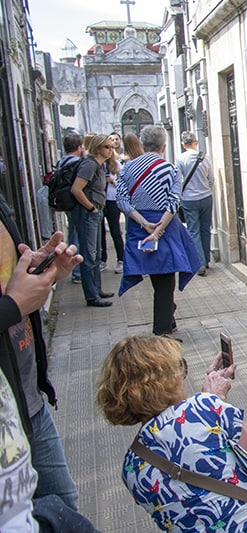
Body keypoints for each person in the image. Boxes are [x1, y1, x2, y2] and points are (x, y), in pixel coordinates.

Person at [96, 335, 247, 532]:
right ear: (167, 378)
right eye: (179, 367)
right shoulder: (204, 408)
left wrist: (210, 402)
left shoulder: (130, 467)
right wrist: (218, 402)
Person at [0, 194, 83, 513]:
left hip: (27, 396)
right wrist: (13, 306)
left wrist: (38, 272)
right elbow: (11, 302)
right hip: (9, 409)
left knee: (63, 508)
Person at [116, 126, 201, 337]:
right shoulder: (169, 169)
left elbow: (122, 200)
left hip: (138, 227)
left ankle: (168, 317)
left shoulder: (126, 169)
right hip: (166, 227)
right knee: (165, 278)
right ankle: (162, 331)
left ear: (143, 146)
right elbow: (174, 203)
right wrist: (158, 229)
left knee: (159, 279)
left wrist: (143, 223)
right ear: (164, 146)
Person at [71, 134, 117, 307]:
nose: (110, 150)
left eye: (111, 147)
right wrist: (90, 207)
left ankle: (97, 290)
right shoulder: (89, 164)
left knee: (95, 254)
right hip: (88, 214)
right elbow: (76, 189)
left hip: (96, 213)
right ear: (97, 148)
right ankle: (91, 295)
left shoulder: (99, 165)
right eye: (107, 147)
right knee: (89, 255)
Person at [176, 131, 214, 276]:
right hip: (206, 197)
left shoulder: (180, 159)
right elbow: (211, 178)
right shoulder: (205, 157)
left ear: (183, 144)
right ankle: (206, 259)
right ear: (196, 142)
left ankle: (200, 263)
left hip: (189, 199)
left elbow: (178, 181)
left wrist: (180, 196)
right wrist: (207, 190)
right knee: (205, 229)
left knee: (193, 230)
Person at [57, 134, 85, 284]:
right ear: (79, 147)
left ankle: (76, 270)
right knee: (78, 237)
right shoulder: (77, 163)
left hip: (67, 203)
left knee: (72, 233)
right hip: (76, 203)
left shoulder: (61, 161)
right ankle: (78, 271)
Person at [102, 132, 125, 275]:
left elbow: (122, 182)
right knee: (100, 233)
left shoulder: (116, 164)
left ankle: (121, 259)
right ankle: (102, 260)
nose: (109, 150)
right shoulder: (97, 165)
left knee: (115, 231)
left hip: (112, 200)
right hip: (99, 201)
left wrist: (112, 181)